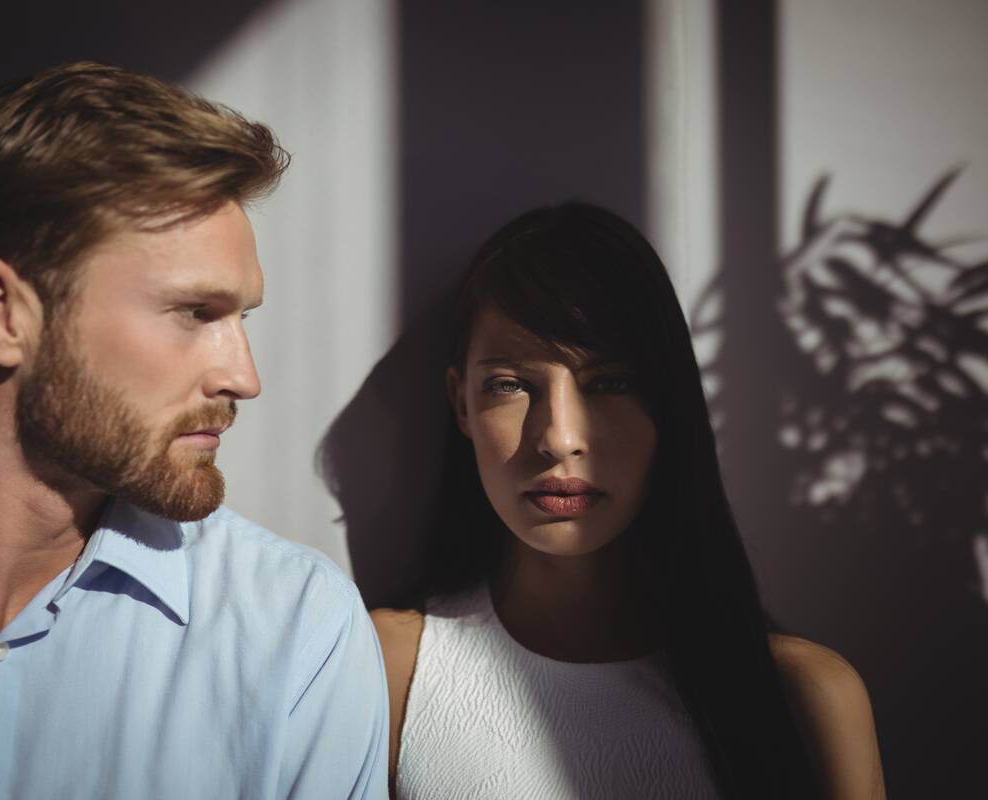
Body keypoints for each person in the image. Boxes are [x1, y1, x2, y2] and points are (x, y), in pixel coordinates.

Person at [0, 62, 387, 799]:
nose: (245, 377)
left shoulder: (294, 637)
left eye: (242, 318)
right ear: (3, 315)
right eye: (194, 313)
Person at [371, 203, 885, 799]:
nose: (560, 439)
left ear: (668, 403)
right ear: (461, 403)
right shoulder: (388, 666)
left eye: (609, 383)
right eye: (511, 385)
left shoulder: (809, 695)